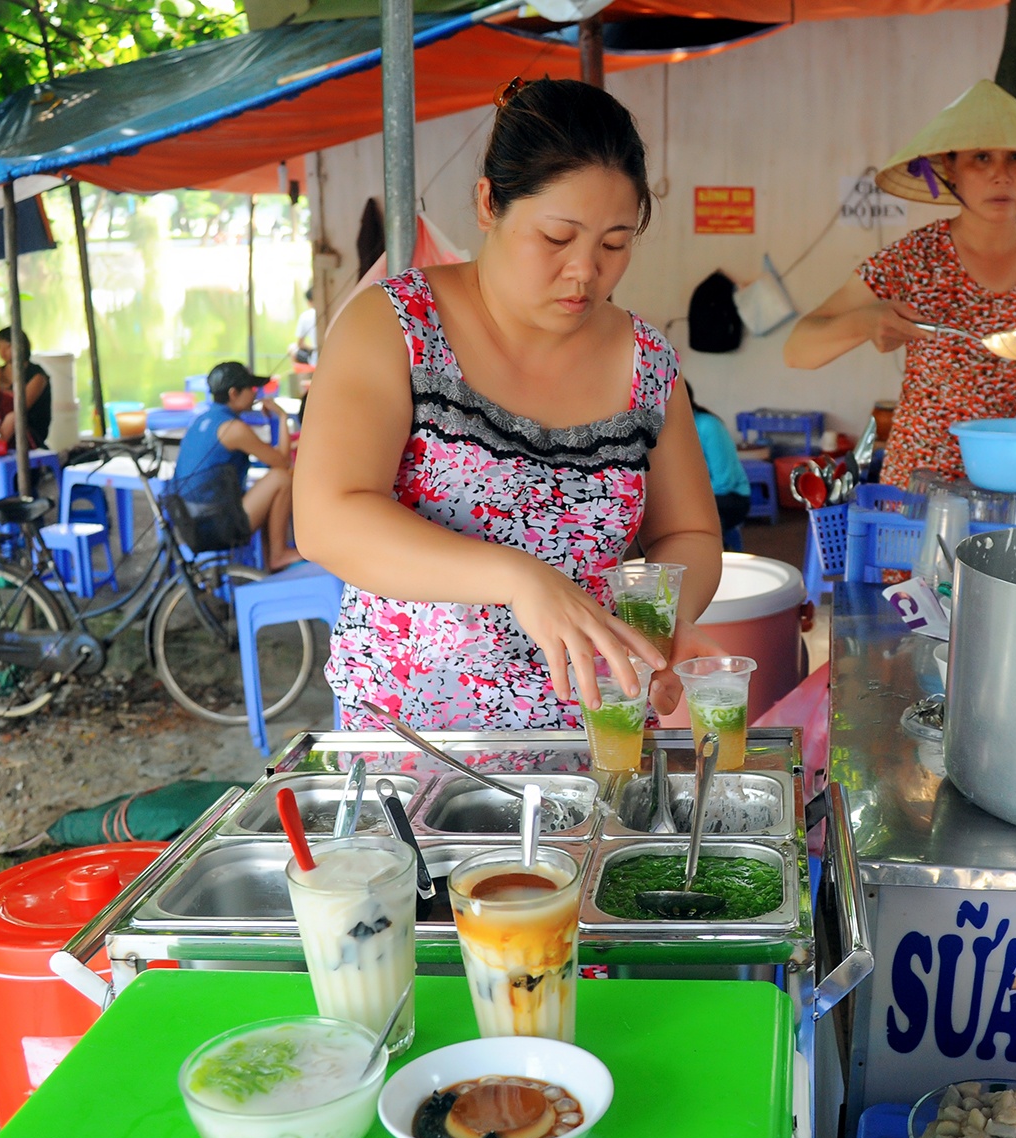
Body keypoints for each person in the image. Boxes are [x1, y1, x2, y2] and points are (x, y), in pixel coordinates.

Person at [293, 77, 724, 729]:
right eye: (556, 238)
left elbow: (688, 533)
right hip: (415, 744)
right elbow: (329, 518)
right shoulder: (394, 327)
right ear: (488, 203)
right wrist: (519, 578)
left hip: (595, 740)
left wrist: (659, 620)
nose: (585, 271)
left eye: (614, 243)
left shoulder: (646, 363)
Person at [783, 80, 1016, 488]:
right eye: (981, 157)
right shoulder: (914, 257)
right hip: (920, 487)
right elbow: (798, 350)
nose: (1001, 175)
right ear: (949, 168)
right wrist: (866, 322)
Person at [173, 360, 301, 572]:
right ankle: (278, 554)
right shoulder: (233, 428)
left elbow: (270, 455)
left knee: (270, 487)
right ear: (234, 393)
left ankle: (274, 558)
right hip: (213, 527)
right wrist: (281, 416)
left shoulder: (202, 419)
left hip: (188, 522)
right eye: (250, 388)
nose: (255, 393)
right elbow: (282, 463)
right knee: (281, 478)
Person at [683, 382, 751, 552]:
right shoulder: (664, 430)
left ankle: (714, 560)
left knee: (692, 515)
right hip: (693, 496)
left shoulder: (708, 426)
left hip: (730, 497)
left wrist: (685, 497)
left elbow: (724, 482)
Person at [0, 326, 51, 449]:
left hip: (29, 430)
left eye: (8, 346)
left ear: (21, 346)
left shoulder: (36, 375)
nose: (2, 351)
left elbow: (20, 405)